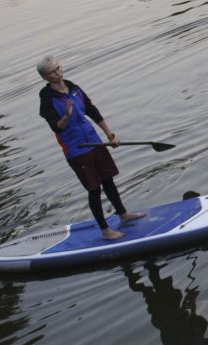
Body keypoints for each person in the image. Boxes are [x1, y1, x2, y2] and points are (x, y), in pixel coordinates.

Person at [36, 56, 143, 241]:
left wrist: (110, 135)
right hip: (77, 149)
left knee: (108, 180)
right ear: (45, 77)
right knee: (94, 189)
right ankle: (105, 230)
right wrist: (67, 115)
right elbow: (56, 127)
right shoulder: (47, 100)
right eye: (52, 72)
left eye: (58, 68)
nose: (58, 73)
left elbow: (92, 111)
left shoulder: (74, 89)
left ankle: (123, 214)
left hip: (94, 142)